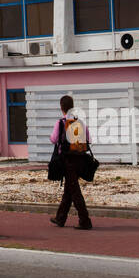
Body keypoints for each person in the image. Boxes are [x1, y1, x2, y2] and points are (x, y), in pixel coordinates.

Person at [49, 94, 92, 230]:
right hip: (80, 159)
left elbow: (54, 139)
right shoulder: (80, 122)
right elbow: (89, 140)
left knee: (74, 191)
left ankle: (85, 221)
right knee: (69, 188)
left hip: (67, 161)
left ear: (61, 107)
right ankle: (60, 218)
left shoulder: (60, 123)